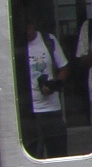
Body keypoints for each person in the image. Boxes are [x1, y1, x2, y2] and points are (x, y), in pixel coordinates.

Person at [18, 10, 70, 158]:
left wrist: (54, 85)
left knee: (58, 154)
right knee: (33, 156)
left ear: (33, 25)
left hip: (51, 109)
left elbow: (64, 67)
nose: (26, 32)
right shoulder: (17, 45)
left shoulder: (48, 40)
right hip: (29, 113)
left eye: (28, 27)